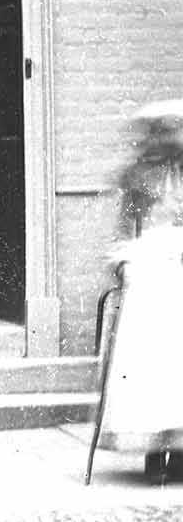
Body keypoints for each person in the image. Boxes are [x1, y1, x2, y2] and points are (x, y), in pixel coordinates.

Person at [96, 100, 183, 483]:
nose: (171, 140)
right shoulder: (137, 178)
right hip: (151, 270)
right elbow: (123, 230)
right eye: (164, 132)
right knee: (151, 361)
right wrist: (123, 263)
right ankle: (154, 451)